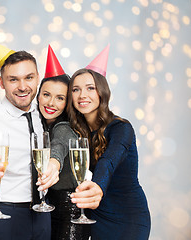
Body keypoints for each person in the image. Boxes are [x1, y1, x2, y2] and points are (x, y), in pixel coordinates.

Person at [0, 38, 60, 240]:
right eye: (13, 79)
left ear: (38, 78)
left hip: (43, 211)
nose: (23, 86)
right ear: (1, 83)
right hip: (4, 213)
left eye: (29, 78)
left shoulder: (45, 111)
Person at [68, 45, 151, 239]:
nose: (82, 95)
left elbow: (109, 161)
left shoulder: (122, 128)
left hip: (128, 216)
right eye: (76, 89)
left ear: (102, 92)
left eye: (90, 88)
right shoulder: (75, 132)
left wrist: (97, 186)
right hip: (96, 216)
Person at [37, 45, 90, 240]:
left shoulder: (64, 127)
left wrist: (53, 163)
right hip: (51, 208)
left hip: (70, 210)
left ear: (67, 103)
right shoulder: (38, 124)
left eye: (60, 98)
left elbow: (60, 144)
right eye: (46, 94)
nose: (51, 103)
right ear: (38, 95)